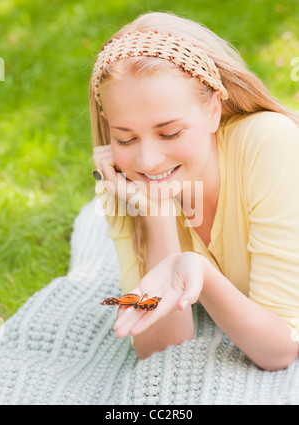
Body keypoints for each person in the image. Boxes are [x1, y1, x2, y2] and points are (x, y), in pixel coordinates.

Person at [90, 12, 299, 370]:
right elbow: (161, 348)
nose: (149, 160)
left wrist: (200, 275)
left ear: (214, 110)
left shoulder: (271, 141)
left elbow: (279, 350)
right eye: (125, 138)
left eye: (169, 133)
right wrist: (156, 215)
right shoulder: (123, 184)